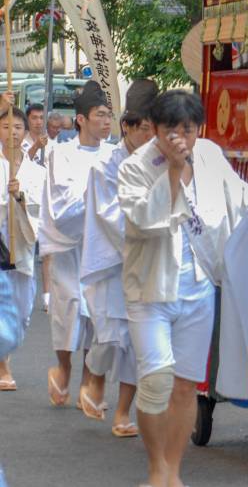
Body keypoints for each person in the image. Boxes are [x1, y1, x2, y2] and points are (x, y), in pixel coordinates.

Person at [118, 89, 248, 487]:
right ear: (155, 130)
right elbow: (143, 219)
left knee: (185, 386)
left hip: (197, 288)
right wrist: (173, 173)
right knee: (156, 380)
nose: (181, 137)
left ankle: (173, 470)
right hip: (149, 290)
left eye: (189, 129)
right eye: (171, 130)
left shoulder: (211, 156)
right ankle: (155, 467)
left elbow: (242, 199)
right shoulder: (135, 167)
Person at [79, 79, 159, 437]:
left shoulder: (161, 163)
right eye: (144, 128)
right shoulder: (105, 167)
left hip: (148, 263)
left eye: (154, 128)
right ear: (127, 126)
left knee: (136, 343)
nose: (149, 135)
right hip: (113, 262)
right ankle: (94, 376)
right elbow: (111, 217)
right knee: (111, 337)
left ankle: (123, 412)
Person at [39, 81, 115, 412]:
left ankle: (88, 379)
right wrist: (95, 194)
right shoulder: (61, 154)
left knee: (99, 315)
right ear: (82, 119)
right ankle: (63, 366)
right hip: (71, 249)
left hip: (102, 248)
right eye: (100, 115)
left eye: (110, 115)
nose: (106, 121)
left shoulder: (114, 155)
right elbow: (62, 205)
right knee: (69, 309)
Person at [0, 107, 46, 392]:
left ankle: (6, 348)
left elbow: (41, 212)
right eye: (6, 126)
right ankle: (2, 363)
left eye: (17, 126)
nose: (12, 131)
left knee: (21, 309)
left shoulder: (36, 172)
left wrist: (20, 198)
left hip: (24, 244)